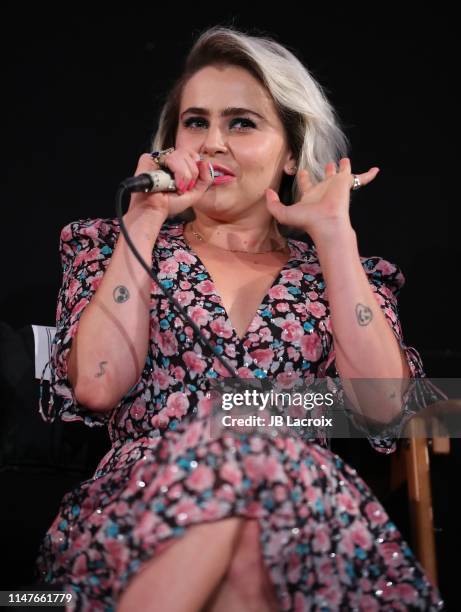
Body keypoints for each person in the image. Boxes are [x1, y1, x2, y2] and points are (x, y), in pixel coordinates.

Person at [35, 25, 445, 611]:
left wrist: (334, 236)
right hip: (149, 500)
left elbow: (380, 407)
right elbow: (98, 385)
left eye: (242, 123)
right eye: (196, 122)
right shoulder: (116, 246)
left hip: (301, 507)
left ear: (291, 153)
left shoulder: (339, 275)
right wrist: (146, 218)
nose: (212, 143)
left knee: (262, 488)